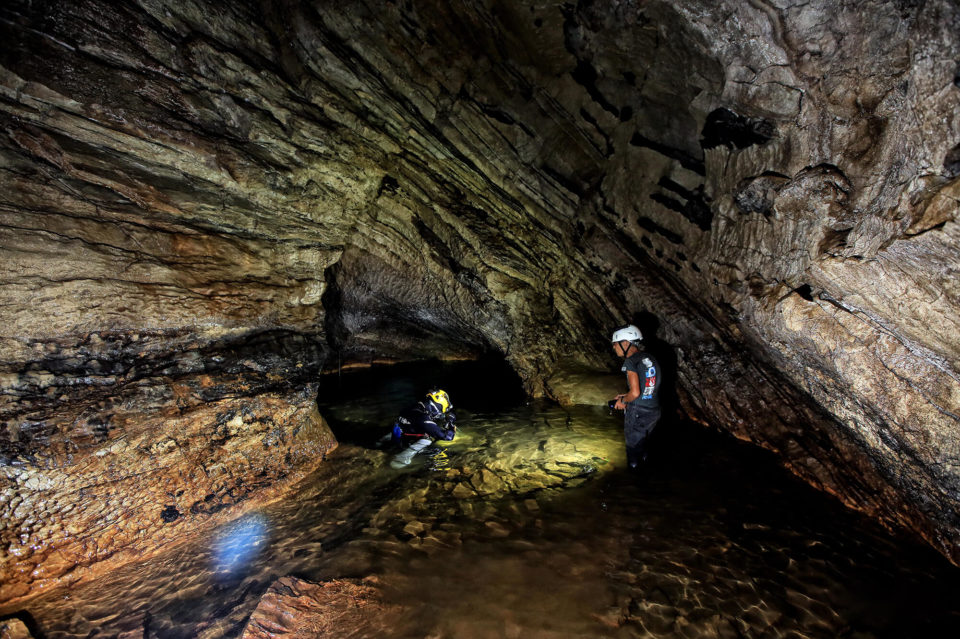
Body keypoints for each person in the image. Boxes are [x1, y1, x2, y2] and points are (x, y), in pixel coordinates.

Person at [610, 324, 661, 468]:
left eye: (615, 344)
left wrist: (622, 401)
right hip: (653, 411)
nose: (614, 347)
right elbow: (648, 388)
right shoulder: (649, 358)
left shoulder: (630, 361)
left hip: (638, 412)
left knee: (633, 451)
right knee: (644, 447)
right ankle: (647, 478)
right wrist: (626, 396)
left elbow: (635, 393)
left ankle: (634, 480)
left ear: (625, 343)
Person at [388, 388, 457, 468]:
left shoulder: (417, 407)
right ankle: (401, 459)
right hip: (405, 443)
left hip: (398, 434)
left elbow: (443, 414)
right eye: (442, 409)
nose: (442, 412)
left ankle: (383, 443)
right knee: (434, 444)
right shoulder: (423, 418)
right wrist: (451, 427)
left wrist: (449, 418)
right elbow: (447, 437)